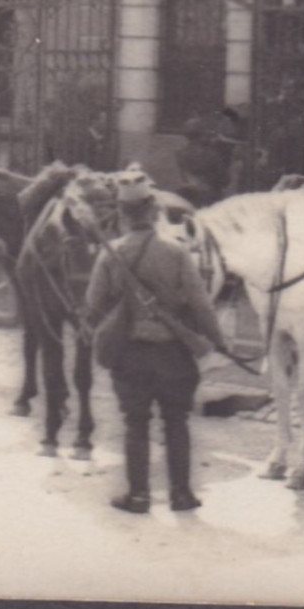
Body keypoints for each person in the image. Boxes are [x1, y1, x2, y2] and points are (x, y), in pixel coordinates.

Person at [84, 170, 225, 514]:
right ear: (153, 211)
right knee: (177, 422)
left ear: (120, 213)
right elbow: (201, 304)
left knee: (136, 424)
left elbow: (92, 305)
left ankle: (139, 495)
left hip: (130, 355)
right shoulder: (176, 253)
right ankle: (181, 494)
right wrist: (217, 341)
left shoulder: (110, 254)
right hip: (174, 355)